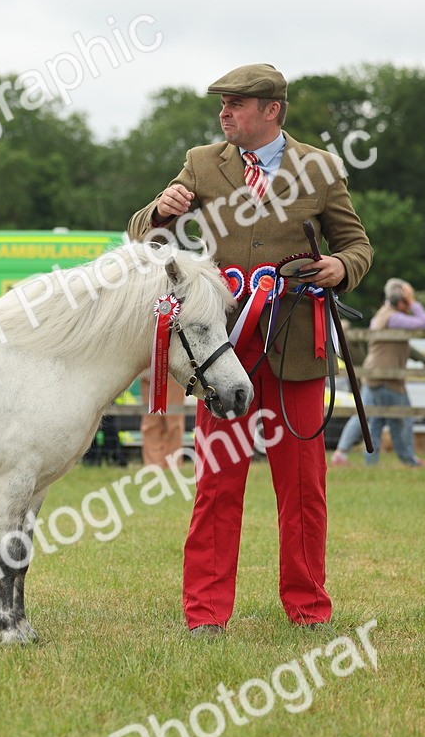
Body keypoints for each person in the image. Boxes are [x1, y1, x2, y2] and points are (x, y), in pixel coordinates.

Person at [128, 64, 373, 637]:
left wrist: (342, 267)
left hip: (297, 345)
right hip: (222, 354)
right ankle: (206, 615)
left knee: (304, 489)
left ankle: (308, 609)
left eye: (236, 104)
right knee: (218, 485)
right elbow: (141, 236)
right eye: (222, 105)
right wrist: (161, 212)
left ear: (272, 111)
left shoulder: (320, 168)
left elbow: (356, 243)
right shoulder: (200, 162)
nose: (224, 114)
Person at [332, 279, 425, 467]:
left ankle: (355, 457)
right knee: (402, 418)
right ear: (401, 301)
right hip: (387, 377)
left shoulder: (384, 315)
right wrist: (414, 302)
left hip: (374, 374)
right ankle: (409, 460)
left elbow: (403, 346)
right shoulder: (394, 318)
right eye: (407, 300)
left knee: (372, 418)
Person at [138, 370, 185, 468]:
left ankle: (174, 464)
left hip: (174, 374)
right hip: (149, 373)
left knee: (174, 424)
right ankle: (152, 465)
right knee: (150, 425)